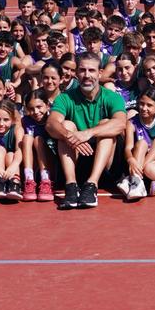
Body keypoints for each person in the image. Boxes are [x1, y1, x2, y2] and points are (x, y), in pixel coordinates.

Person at [46, 55, 130, 209]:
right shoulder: (65, 98)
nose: (87, 75)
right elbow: (51, 124)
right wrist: (69, 135)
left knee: (106, 124)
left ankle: (92, 185)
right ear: (76, 73)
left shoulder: (112, 97)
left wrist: (88, 133)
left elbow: (120, 123)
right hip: (78, 161)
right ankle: (71, 186)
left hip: (106, 166)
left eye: (91, 70)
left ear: (100, 73)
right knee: (66, 125)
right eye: (82, 70)